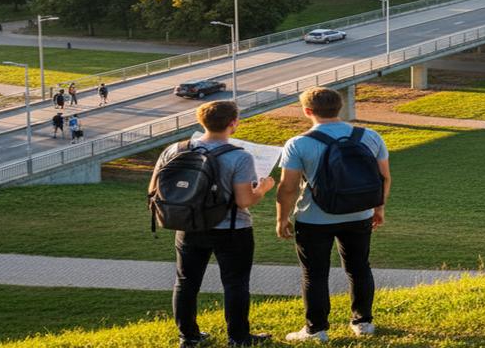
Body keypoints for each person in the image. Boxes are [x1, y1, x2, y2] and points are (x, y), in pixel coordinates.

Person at [151, 100, 275, 348]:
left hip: (188, 225)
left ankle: (189, 337)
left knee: (185, 282)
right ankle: (238, 338)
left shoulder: (175, 149)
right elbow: (243, 201)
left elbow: (154, 189)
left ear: (201, 121)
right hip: (232, 228)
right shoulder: (239, 156)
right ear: (233, 123)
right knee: (235, 283)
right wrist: (263, 189)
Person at [276, 87, 390, 342]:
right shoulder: (370, 136)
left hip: (314, 218)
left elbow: (288, 187)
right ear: (339, 107)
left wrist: (282, 219)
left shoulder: (299, 143)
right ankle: (363, 323)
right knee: (359, 268)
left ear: (307, 111)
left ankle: (316, 330)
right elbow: (384, 177)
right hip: (360, 214)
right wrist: (378, 208)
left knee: (315, 274)